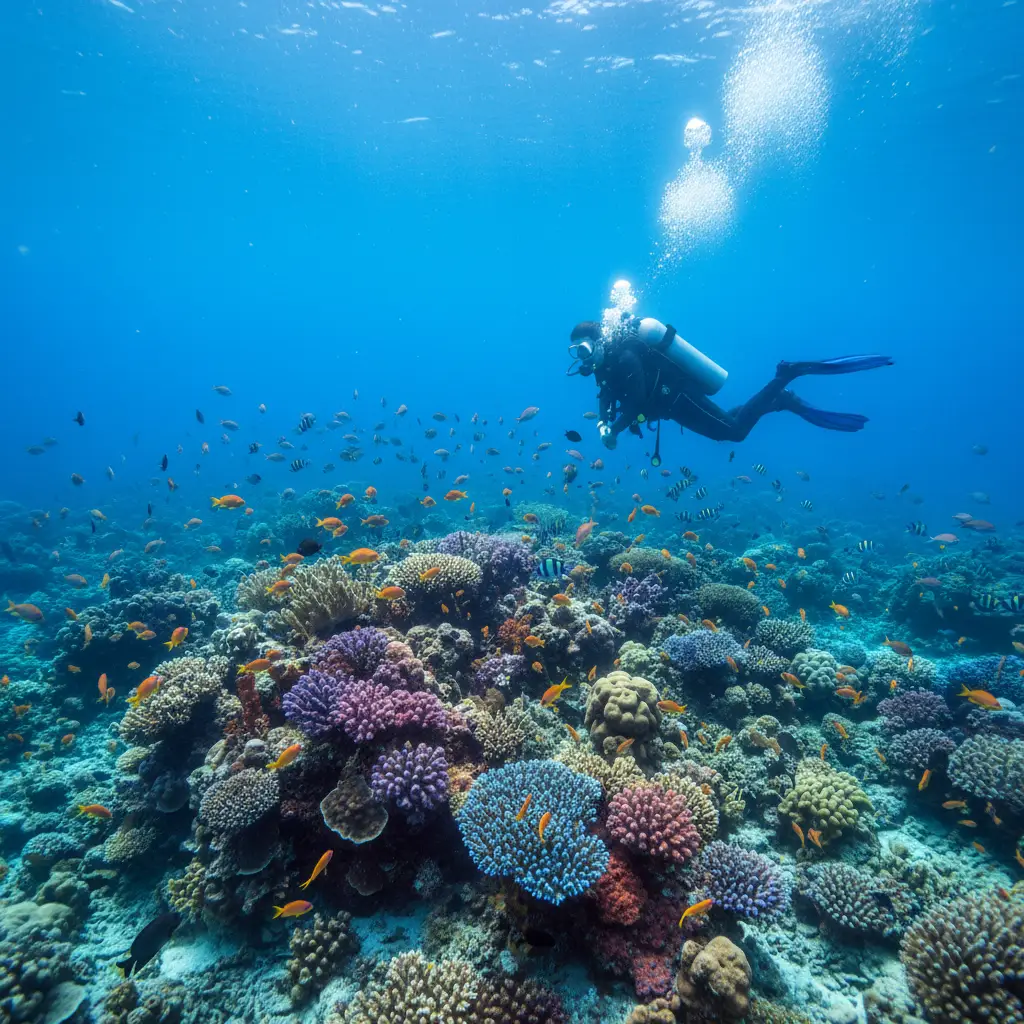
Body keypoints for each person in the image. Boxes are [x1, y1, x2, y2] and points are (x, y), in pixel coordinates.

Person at [567, 316, 892, 452]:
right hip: (671, 406)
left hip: (679, 397)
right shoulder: (604, 367)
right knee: (729, 424)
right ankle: (780, 399)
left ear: (598, 341)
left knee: (734, 432)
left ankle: (786, 378)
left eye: (582, 349)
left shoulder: (623, 356)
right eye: (575, 351)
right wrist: (602, 423)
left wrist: (617, 429)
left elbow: (636, 400)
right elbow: (606, 394)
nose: (580, 357)